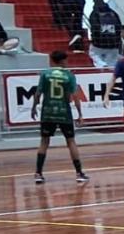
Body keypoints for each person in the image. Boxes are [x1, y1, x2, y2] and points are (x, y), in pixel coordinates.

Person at [30, 49, 89, 184]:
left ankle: (38, 173)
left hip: (48, 112)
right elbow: (75, 96)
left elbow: (38, 93)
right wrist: (80, 114)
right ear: (63, 61)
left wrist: (33, 108)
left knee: (44, 142)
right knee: (71, 141)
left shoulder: (45, 74)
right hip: (64, 112)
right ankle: (79, 173)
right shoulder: (69, 75)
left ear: (52, 61)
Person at [88, 0, 122, 68]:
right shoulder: (113, 13)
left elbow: (94, 27)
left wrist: (95, 39)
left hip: (99, 44)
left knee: (93, 54)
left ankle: (101, 65)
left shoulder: (94, 14)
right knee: (112, 62)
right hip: (113, 44)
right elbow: (119, 27)